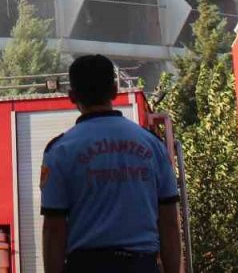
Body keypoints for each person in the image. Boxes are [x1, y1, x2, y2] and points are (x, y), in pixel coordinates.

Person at [40, 55, 184, 273]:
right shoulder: (152, 146)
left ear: (71, 96)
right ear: (115, 90)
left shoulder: (60, 151)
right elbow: (169, 223)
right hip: (141, 266)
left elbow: (53, 230)